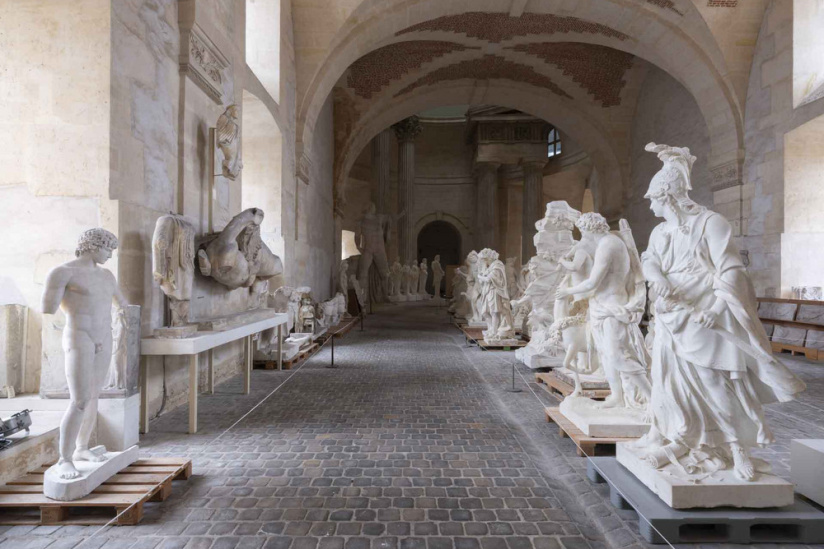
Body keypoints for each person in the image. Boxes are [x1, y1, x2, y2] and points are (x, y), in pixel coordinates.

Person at [633, 142, 806, 480]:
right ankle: (679, 438)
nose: (650, 206)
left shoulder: (711, 223)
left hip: (705, 314)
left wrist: (714, 306)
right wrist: (656, 277)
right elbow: (649, 259)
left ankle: (735, 447)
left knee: (715, 381)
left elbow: (731, 270)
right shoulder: (661, 231)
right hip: (671, 315)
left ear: (668, 195)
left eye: (654, 199)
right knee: (668, 381)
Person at [41, 228, 129, 480]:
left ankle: (81, 448)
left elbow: (122, 303)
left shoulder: (106, 275)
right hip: (79, 337)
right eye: (107, 249)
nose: (110, 255)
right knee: (79, 399)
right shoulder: (62, 272)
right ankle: (64, 459)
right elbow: (47, 308)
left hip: (104, 336)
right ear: (91, 245)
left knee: (93, 397)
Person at [556, 213, 651, 409]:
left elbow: (593, 281)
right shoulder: (604, 243)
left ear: (590, 229)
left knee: (618, 354)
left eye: (583, 232)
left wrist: (568, 291)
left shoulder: (609, 244)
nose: (582, 237)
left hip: (612, 306)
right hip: (600, 305)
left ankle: (652, 398)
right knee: (606, 354)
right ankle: (617, 396)